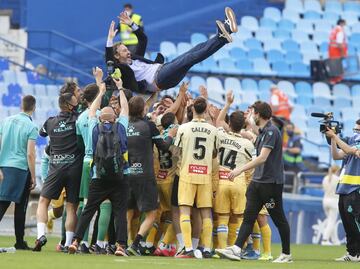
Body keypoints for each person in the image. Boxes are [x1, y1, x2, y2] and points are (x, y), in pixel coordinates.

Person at [216, 101, 292, 263]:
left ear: (259, 114)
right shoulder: (264, 131)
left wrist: (239, 170)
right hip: (257, 182)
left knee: (279, 219)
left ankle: (286, 254)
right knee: (248, 217)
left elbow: (262, 158)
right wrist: (249, 120)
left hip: (271, 183)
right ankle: (236, 248)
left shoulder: (272, 132)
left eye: (254, 113)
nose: (252, 116)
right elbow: (255, 131)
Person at [106, 7, 238, 94]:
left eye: (126, 49)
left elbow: (143, 39)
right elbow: (109, 61)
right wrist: (110, 40)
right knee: (189, 58)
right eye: (123, 51)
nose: (128, 51)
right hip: (158, 79)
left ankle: (225, 33)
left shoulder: (135, 58)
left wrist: (131, 24)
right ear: (116, 56)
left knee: (196, 50)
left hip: (164, 69)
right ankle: (222, 36)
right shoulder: (121, 71)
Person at [69, 76, 130, 257]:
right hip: (121, 175)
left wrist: (101, 91)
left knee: (88, 210)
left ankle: (76, 241)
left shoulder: (94, 127)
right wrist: (119, 89)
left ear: (100, 117)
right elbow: (125, 109)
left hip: (98, 175)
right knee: (120, 213)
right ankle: (120, 246)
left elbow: (91, 111)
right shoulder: (121, 126)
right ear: (114, 117)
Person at [33, 86, 84, 252]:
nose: (78, 102)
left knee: (43, 201)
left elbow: (42, 134)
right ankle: (69, 243)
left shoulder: (50, 121)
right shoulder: (78, 119)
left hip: (56, 167)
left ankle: (41, 234)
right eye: (75, 101)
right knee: (71, 207)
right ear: (69, 105)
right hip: (75, 168)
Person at [126, 95, 177, 256]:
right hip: (145, 175)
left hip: (127, 173)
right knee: (152, 213)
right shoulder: (149, 126)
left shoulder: (125, 125)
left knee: (128, 211)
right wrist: (171, 135)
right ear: (143, 109)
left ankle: (123, 243)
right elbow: (163, 147)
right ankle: (135, 244)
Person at [173, 97, 218, 258]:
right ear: (205, 109)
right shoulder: (213, 130)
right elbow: (214, 153)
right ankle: (206, 248)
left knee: (184, 211)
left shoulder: (183, 128)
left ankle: (187, 248)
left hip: (186, 173)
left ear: (192, 110)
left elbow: (175, 152)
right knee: (206, 213)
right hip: (204, 174)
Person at [0, 95, 38, 250]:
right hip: (20, 169)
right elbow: (30, 154)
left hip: (4, 167)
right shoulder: (31, 127)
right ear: (34, 108)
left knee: (3, 202)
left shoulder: (6, 121)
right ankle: (20, 241)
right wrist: (34, 176)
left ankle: (20, 242)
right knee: (18, 206)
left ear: (21, 105)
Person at [326, 122, 360, 262]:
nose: (355, 132)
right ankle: (352, 253)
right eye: (354, 129)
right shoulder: (352, 144)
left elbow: (352, 151)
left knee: (355, 223)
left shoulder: (353, 146)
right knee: (347, 223)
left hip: (356, 188)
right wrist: (333, 140)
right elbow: (336, 156)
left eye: (357, 129)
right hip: (345, 187)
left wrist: (335, 136)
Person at [321, 165, 341, 246]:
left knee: (331, 221)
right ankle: (325, 239)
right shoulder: (338, 179)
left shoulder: (325, 178)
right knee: (331, 222)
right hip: (334, 201)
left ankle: (335, 240)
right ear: (337, 171)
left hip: (325, 201)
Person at [328, 19, 347, 84]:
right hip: (337, 51)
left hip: (332, 49)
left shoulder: (334, 30)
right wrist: (342, 53)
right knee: (337, 66)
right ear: (341, 23)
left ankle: (332, 80)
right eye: (344, 24)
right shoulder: (340, 31)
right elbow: (339, 43)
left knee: (333, 65)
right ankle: (336, 80)